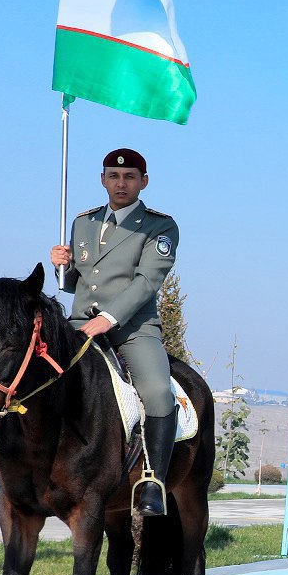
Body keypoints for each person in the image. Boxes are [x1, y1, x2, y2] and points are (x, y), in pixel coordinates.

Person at [50, 147, 181, 517]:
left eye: (129, 177)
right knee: (31, 375)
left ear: (143, 182)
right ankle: (15, 472)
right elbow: (75, 282)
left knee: (157, 391)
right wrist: (61, 265)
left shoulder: (159, 226)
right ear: (103, 179)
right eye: (113, 176)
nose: (121, 183)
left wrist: (109, 318)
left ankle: (153, 480)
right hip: (79, 325)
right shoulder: (83, 222)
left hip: (133, 327)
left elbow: (147, 280)